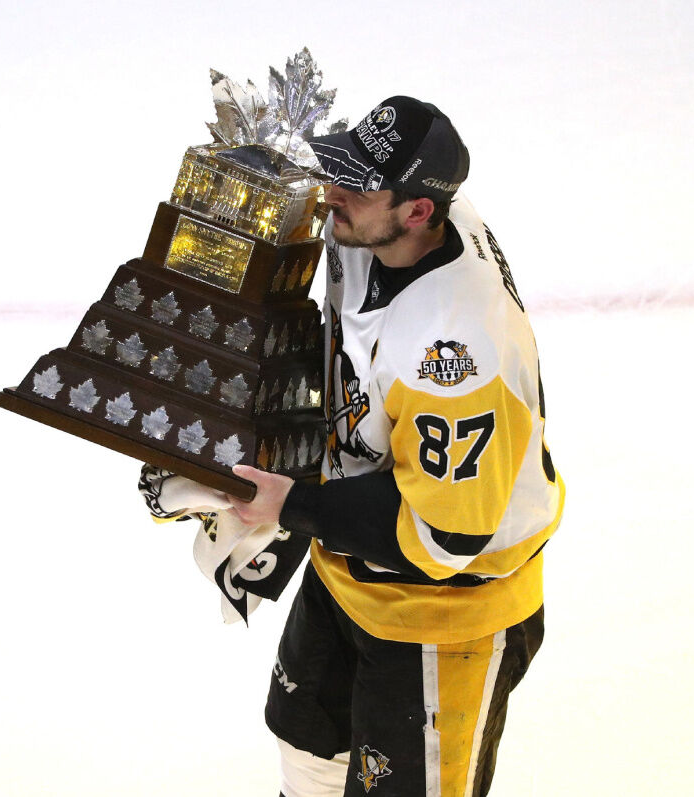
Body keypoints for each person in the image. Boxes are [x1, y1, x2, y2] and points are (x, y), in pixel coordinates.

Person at [228, 96, 566, 796]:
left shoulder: (453, 349)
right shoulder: (383, 227)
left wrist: (289, 502)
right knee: (307, 749)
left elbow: (446, 533)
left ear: (418, 211)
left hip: (448, 612)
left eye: (357, 183)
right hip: (351, 567)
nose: (333, 193)